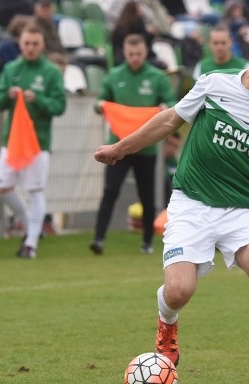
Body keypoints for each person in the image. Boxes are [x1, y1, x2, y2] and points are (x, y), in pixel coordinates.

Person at [93, 30, 249, 384]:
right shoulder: (214, 85)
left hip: (242, 210)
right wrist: (121, 148)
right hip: (192, 203)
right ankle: (167, 326)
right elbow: (168, 122)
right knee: (179, 291)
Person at [90, 34, 176, 255]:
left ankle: (147, 242)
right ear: (125, 53)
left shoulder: (157, 77)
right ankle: (98, 238)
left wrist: (165, 106)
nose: (135, 58)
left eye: (138, 54)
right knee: (110, 191)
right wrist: (101, 105)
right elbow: (100, 100)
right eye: (131, 54)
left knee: (147, 195)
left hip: (145, 148)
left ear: (145, 52)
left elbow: (174, 105)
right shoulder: (114, 75)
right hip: (117, 147)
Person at [0, 24, 66, 258]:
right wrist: (8, 95)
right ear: (21, 44)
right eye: (27, 43)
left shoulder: (52, 72)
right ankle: (30, 224)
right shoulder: (11, 68)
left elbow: (59, 106)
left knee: (36, 190)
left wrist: (39, 100)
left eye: (35, 44)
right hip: (12, 141)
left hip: (38, 142)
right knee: (2, 187)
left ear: (43, 45)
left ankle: (31, 243)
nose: (31, 48)